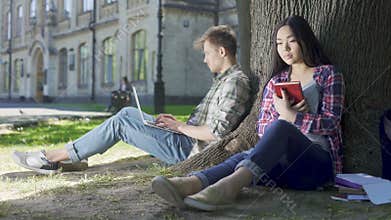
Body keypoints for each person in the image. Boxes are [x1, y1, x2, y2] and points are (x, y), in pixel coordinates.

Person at [151, 15, 345, 211]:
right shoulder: (276, 82)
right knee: (248, 154)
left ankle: (229, 188)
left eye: (291, 41)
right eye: (279, 43)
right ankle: (193, 183)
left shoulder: (327, 74)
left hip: (314, 165)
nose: (285, 49)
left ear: (305, 40)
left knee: (280, 128)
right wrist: (285, 117)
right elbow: (263, 130)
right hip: (281, 168)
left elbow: (331, 123)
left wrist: (291, 116)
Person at [12, 25, 252, 175]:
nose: (204, 60)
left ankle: (53, 158)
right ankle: (75, 155)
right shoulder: (224, 80)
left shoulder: (235, 82)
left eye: (207, 54)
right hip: (185, 140)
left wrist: (179, 127)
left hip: (189, 151)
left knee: (121, 122)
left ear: (222, 52)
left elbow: (216, 132)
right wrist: (176, 123)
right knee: (127, 114)